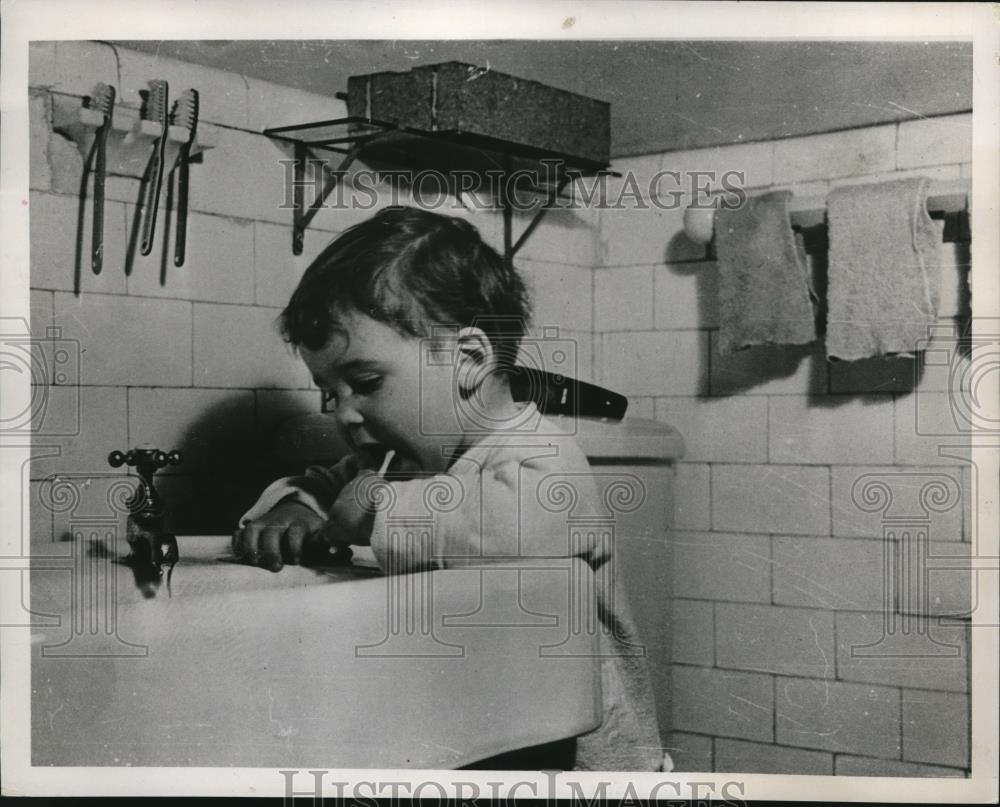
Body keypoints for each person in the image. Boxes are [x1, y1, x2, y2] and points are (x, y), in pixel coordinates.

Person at [233, 206, 664, 771]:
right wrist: (297, 506)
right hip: (486, 724)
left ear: (468, 359)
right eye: (327, 391)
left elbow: (529, 525)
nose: (342, 412)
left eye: (364, 382)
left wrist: (376, 512)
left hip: (582, 763)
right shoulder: (397, 458)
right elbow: (326, 485)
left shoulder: (539, 455)